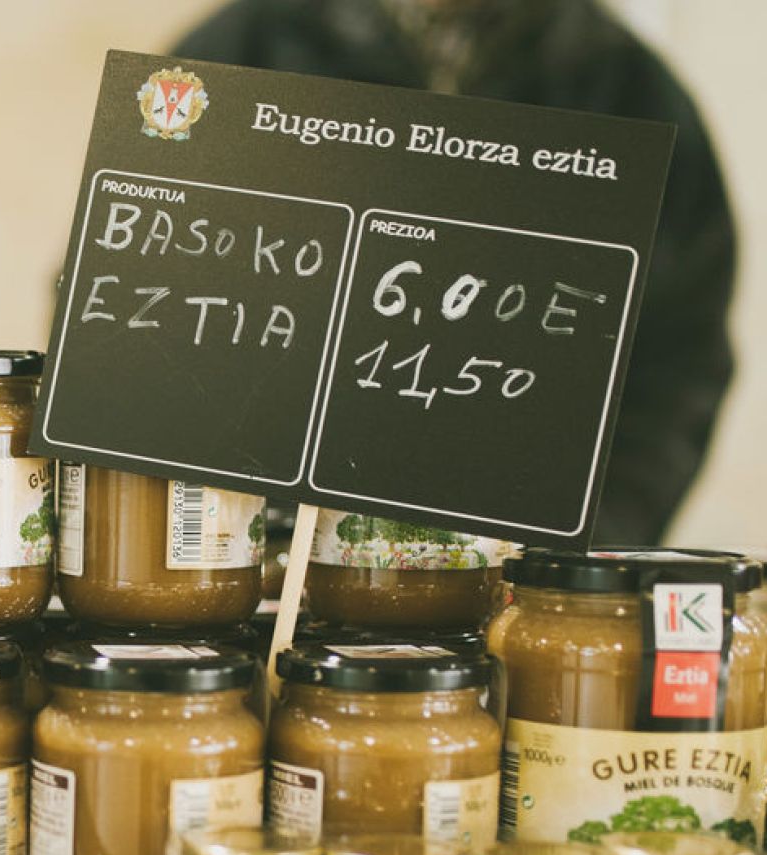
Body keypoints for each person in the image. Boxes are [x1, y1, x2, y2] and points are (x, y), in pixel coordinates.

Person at [175, 0, 735, 546]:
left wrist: (591, 537)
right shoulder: (243, 48)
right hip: (255, 568)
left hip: (510, 583)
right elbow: (157, 314)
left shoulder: (628, 85)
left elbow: (678, 357)